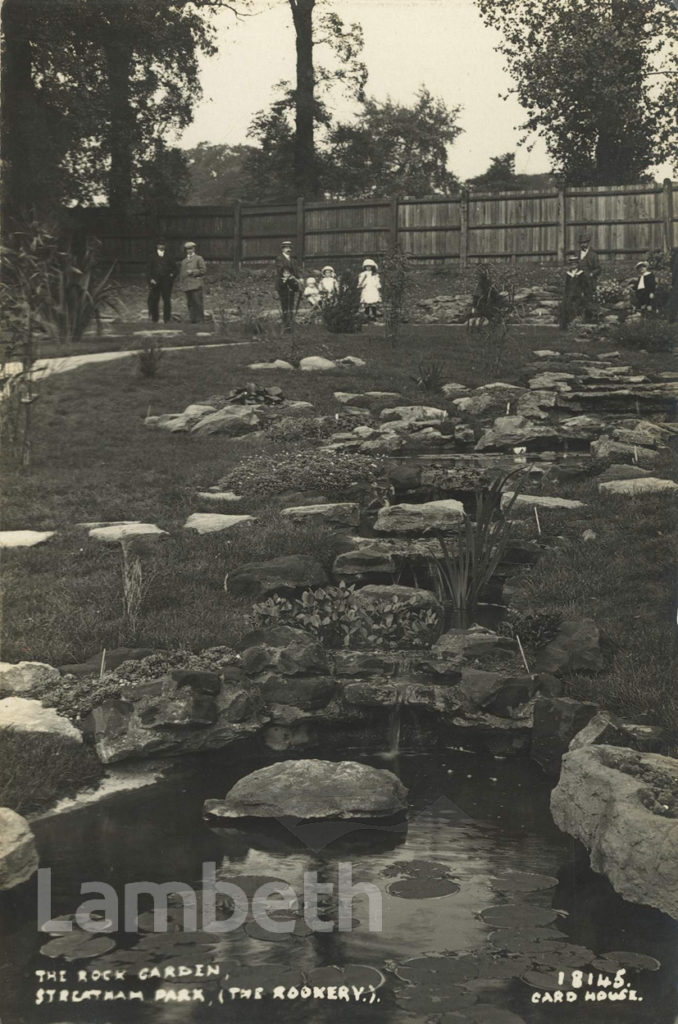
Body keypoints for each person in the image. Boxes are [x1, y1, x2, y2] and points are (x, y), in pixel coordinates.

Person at [275, 241, 303, 330]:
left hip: (292, 284)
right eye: (286, 248)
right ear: (282, 249)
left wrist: (300, 278)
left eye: (289, 248)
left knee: (291, 302)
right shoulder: (279, 258)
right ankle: (285, 322)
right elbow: (283, 270)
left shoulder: (293, 260)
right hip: (283, 284)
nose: (288, 249)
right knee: (284, 303)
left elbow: (296, 271)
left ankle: (291, 321)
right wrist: (293, 278)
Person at [559, 252, 591, 329]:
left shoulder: (581, 273)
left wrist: (583, 293)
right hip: (569, 293)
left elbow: (585, 285)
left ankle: (574, 323)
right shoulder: (568, 274)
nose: (573, 265)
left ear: (577, 264)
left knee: (575, 306)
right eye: (571, 264)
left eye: (575, 263)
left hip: (578, 293)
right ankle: (566, 324)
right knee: (565, 305)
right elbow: (567, 285)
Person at [147, 240, 176, 323]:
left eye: (163, 245)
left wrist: (171, 276)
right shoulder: (152, 256)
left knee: (167, 300)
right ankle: (154, 318)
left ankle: (167, 319)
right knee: (154, 300)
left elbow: (175, 269)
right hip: (155, 282)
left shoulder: (169, 256)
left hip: (166, 282)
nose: (161, 246)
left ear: (165, 246)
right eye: (160, 244)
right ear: (157, 246)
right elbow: (148, 270)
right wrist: (150, 279)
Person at [178, 241, 206, 323]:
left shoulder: (198, 258)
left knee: (198, 302)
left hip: (196, 284)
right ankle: (192, 319)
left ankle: (200, 320)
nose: (189, 251)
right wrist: (181, 284)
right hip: (187, 285)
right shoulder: (184, 261)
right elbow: (181, 274)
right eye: (187, 249)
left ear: (194, 249)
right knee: (190, 303)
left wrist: (193, 271)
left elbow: (203, 270)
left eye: (191, 249)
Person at [668, 248, 678, 325]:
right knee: (675, 298)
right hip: (676, 280)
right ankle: (672, 318)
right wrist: (673, 281)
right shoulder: (676, 253)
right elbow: (673, 267)